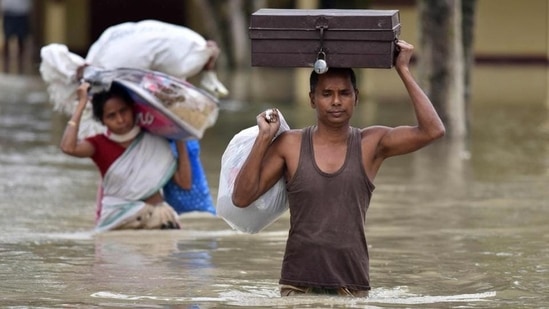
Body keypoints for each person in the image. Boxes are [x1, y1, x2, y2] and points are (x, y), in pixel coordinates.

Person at [231, 40, 446, 297]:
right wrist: (264, 138)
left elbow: (433, 130)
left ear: (356, 97)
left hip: (351, 286)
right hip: (298, 285)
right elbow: (241, 198)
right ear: (312, 99)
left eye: (344, 93)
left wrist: (403, 69)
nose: (336, 101)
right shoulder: (290, 144)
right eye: (326, 94)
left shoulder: (371, 144)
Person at [60, 82, 192, 232]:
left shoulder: (155, 139)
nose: (120, 119)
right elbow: (67, 147)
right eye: (111, 116)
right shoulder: (98, 144)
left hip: (159, 220)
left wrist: (180, 136)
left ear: (133, 109)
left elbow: (185, 183)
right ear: (102, 121)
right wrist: (81, 104)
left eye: (123, 111)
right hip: (119, 221)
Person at [79, 19, 229, 98]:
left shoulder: (191, 44)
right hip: (116, 68)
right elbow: (177, 83)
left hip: (107, 64)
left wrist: (89, 64)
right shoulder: (194, 55)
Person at [1, 0, 31, 74]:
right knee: (7, 38)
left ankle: (21, 65)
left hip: (21, 12)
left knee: (21, 40)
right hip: (9, 12)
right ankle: (5, 64)